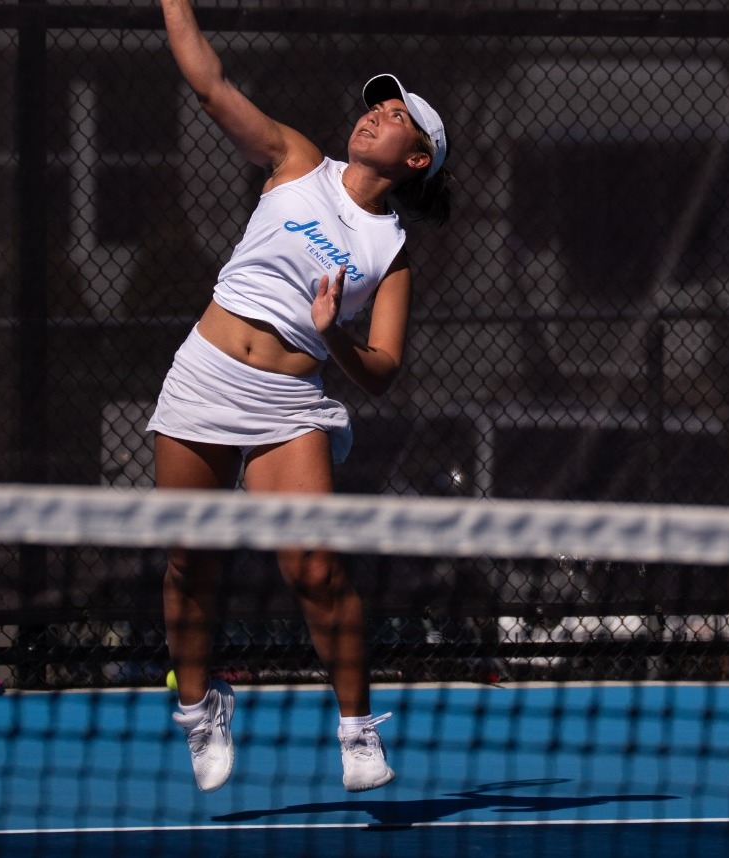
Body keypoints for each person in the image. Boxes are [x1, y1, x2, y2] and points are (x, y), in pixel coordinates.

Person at [148, 0, 452, 794]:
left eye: (394, 119)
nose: (373, 118)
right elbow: (210, 84)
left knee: (316, 571)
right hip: (206, 376)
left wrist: (334, 333)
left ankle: (356, 733)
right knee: (189, 564)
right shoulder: (295, 161)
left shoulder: (391, 252)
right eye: (375, 107)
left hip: (290, 406)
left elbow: (382, 367)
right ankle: (198, 704)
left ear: (416, 159)